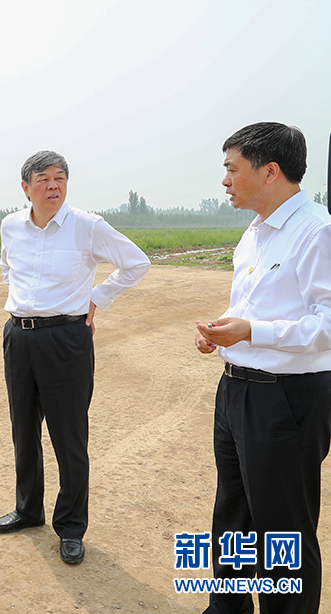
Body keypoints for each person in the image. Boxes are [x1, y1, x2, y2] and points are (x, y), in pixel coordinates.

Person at [195, 122, 331, 614]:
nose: (225, 180)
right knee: (232, 514)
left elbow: (327, 325)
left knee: (282, 531)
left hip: (286, 398)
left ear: (270, 171)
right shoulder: (255, 231)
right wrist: (222, 330)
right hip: (236, 391)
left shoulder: (318, 231)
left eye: (232, 169)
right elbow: (253, 307)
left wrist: (252, 332)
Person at [0, 150, 150, 564]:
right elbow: (7, 267)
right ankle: (28, 509)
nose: (53, 186)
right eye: (43, 179)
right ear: (25, 187)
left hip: (66, 339)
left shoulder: (87, 226)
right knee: (23, 430)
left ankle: (72, 525)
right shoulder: (11, 225)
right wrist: (22, 299)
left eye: (60, 178)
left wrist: (98, 297)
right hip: (19, 337)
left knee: (69, 436)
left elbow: (136, 263)